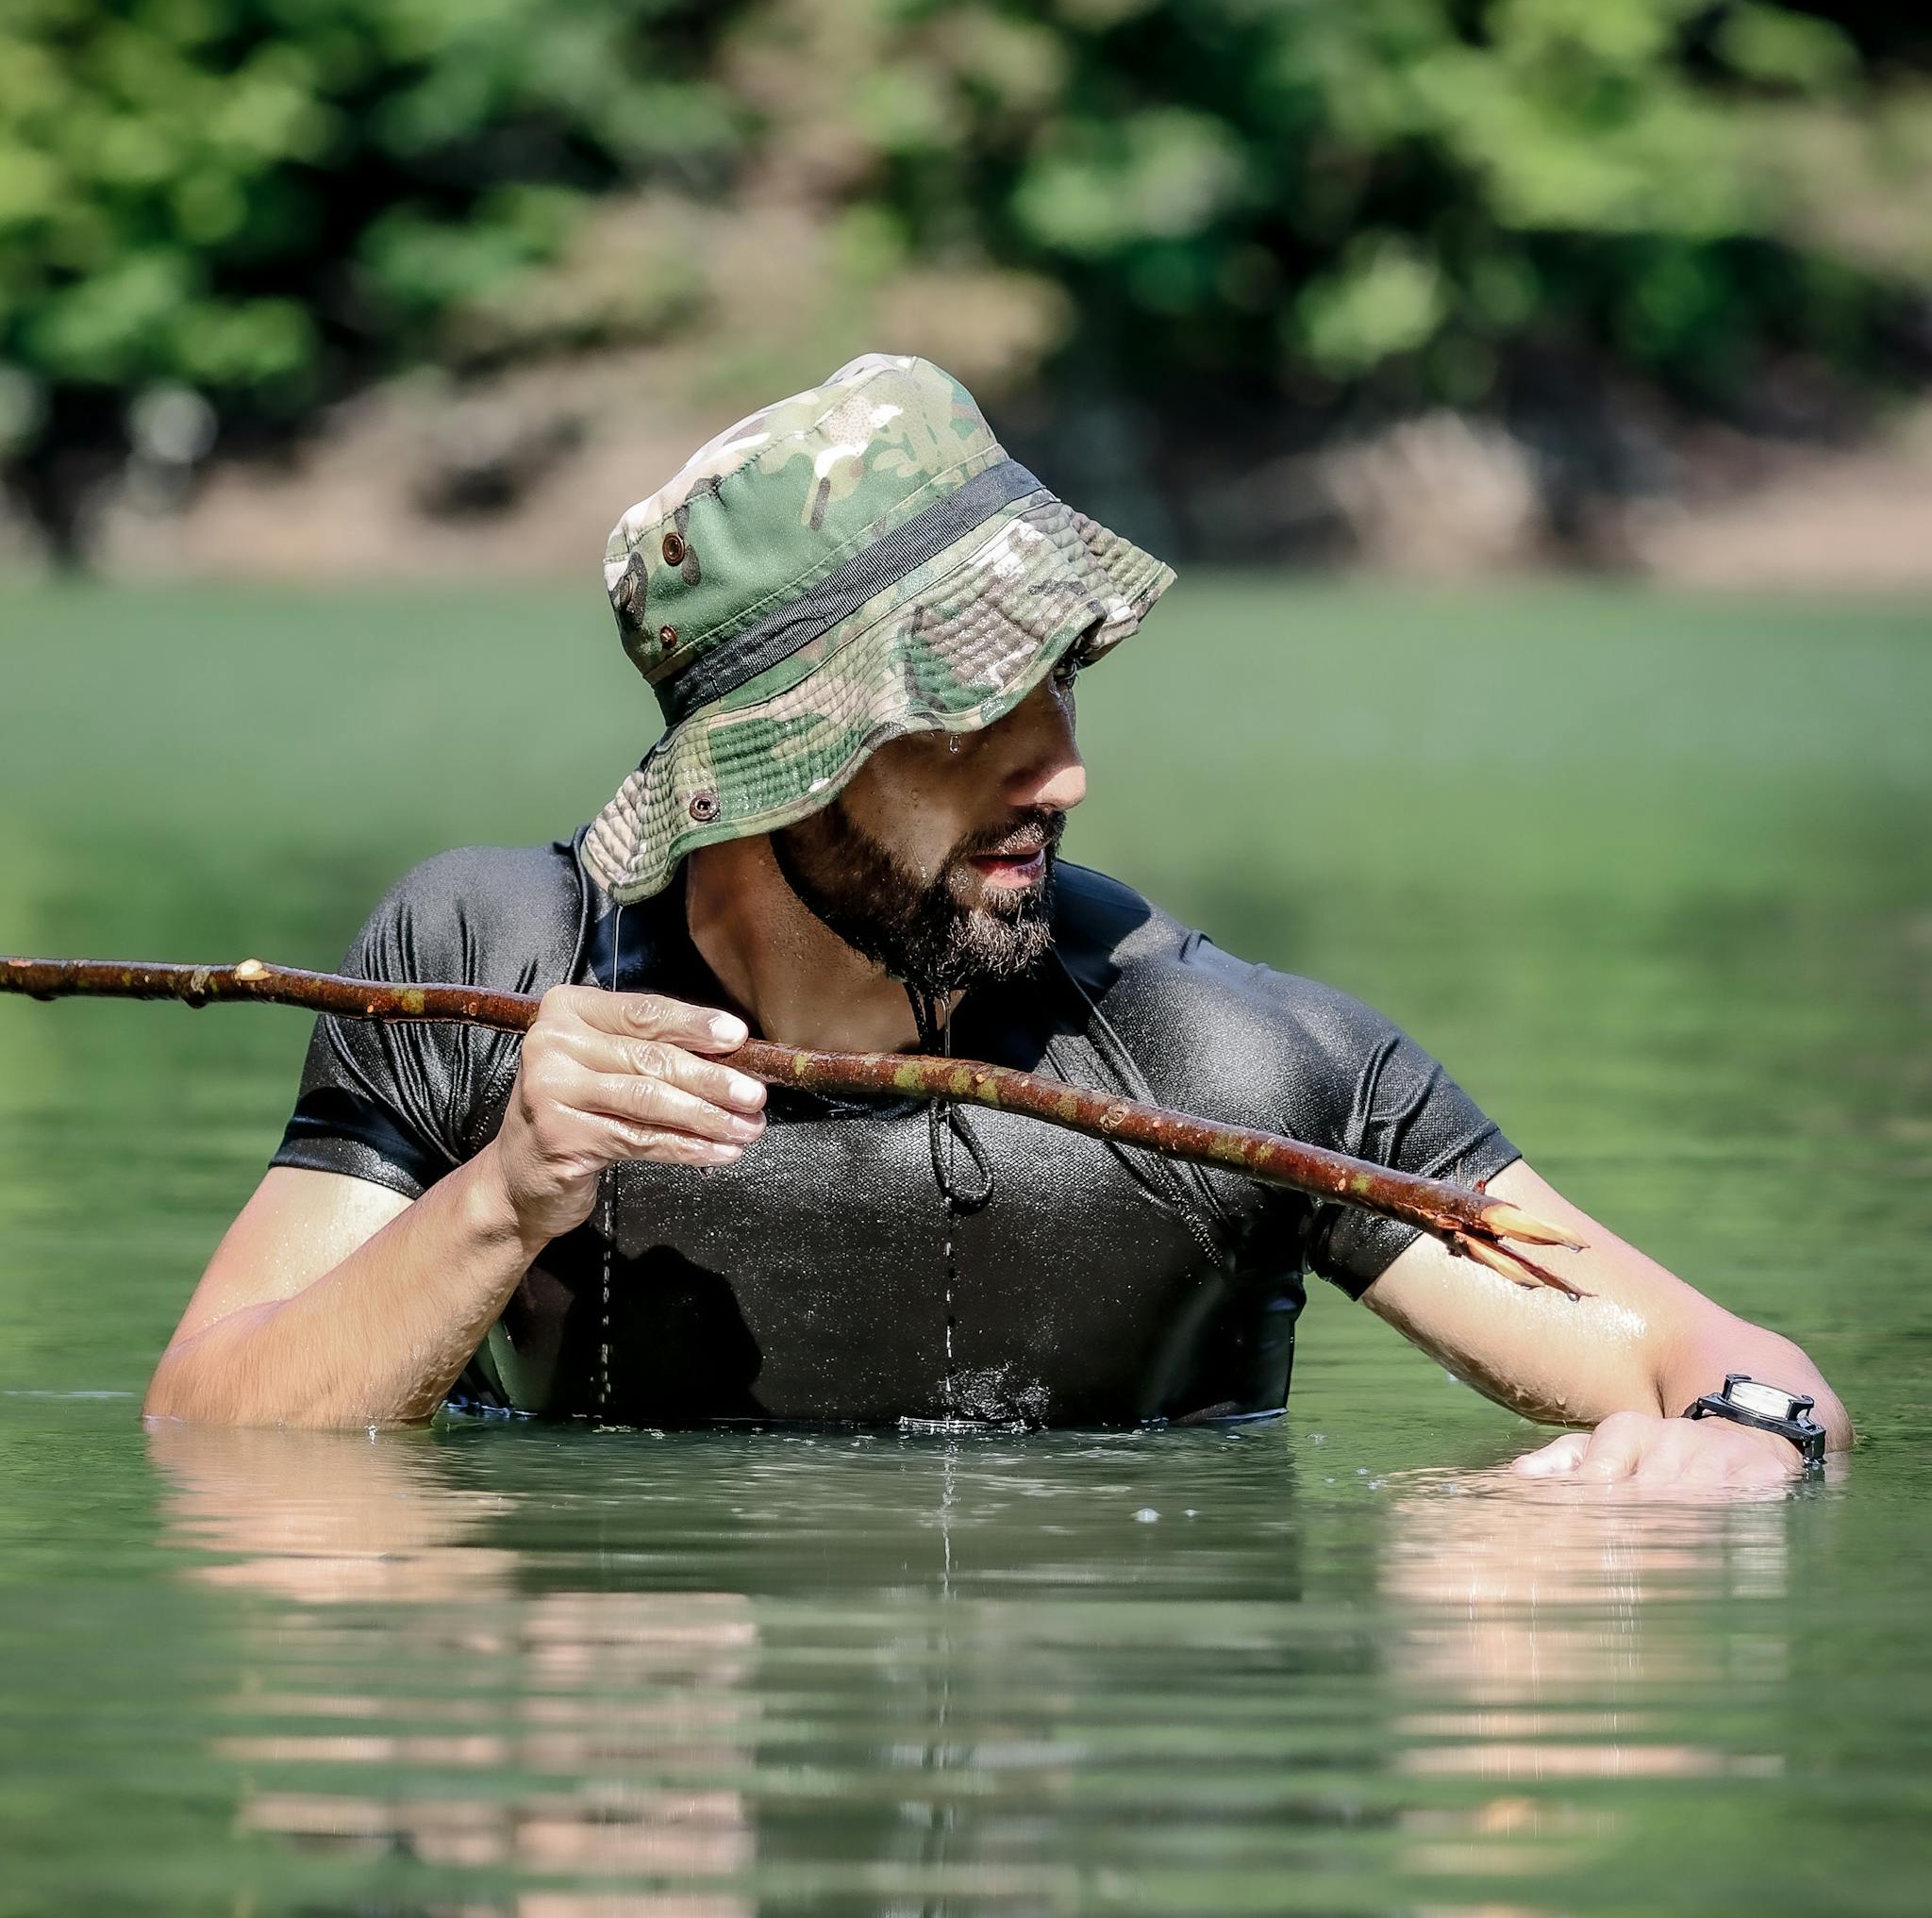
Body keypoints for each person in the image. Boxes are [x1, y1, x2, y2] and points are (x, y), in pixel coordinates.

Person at [143, 355, 1850, 1484]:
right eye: (966, 717)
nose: (1063, 776)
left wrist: (1711, 1467)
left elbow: (1738, 1379)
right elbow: (211, 1436)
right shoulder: (493, 973)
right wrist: (503, 1199)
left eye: (1062, 691)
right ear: (768, 769)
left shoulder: (1222, 1065)